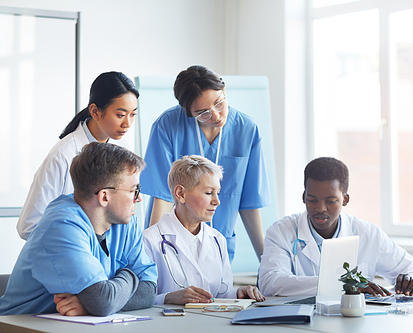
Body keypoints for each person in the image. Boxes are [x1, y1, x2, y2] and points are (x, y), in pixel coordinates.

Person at [0, 142, 157, 316]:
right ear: (105, 196)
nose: (139, 198)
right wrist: (129, 275)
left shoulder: (125, 222)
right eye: (134, 190)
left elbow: (149, 290)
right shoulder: (62, 226)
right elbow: (103, 302)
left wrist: (90, 305)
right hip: (19, 325)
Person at [140, 65, 270, 262]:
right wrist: (154, 255)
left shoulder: (246, 129)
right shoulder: (167, 126)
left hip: (220, 245)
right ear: (188, 112)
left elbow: (249, 202)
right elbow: (163, 197)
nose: (216, 116)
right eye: (203, 113)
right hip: (174, 244)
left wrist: (266, 261)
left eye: (219, 103)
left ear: (224, 90)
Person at [258, 157, 413, 297]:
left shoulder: (368, 234)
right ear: (303, 196)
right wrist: (346, 285)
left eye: (330, 201)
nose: (320, 208)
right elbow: (270, 282)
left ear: (345, 200)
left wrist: (411, 280)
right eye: (312, 200)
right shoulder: (281, 231)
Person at [17, 71, 139, 240]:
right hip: (70, 250)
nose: (127, 124)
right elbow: (29, 226)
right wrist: (78, 241)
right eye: (120, 115)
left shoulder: (123, 149)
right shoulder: (62, 156)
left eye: (133, 114)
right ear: (95, 112)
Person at [143, 155, 265, 305]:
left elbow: (220, 295)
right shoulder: (149, 241)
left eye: (218, 193)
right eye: (208, 193)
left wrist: (239, 293)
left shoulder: (217, 240)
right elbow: (140, 302)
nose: (217, 201)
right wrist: (168, 298)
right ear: (180, 194)